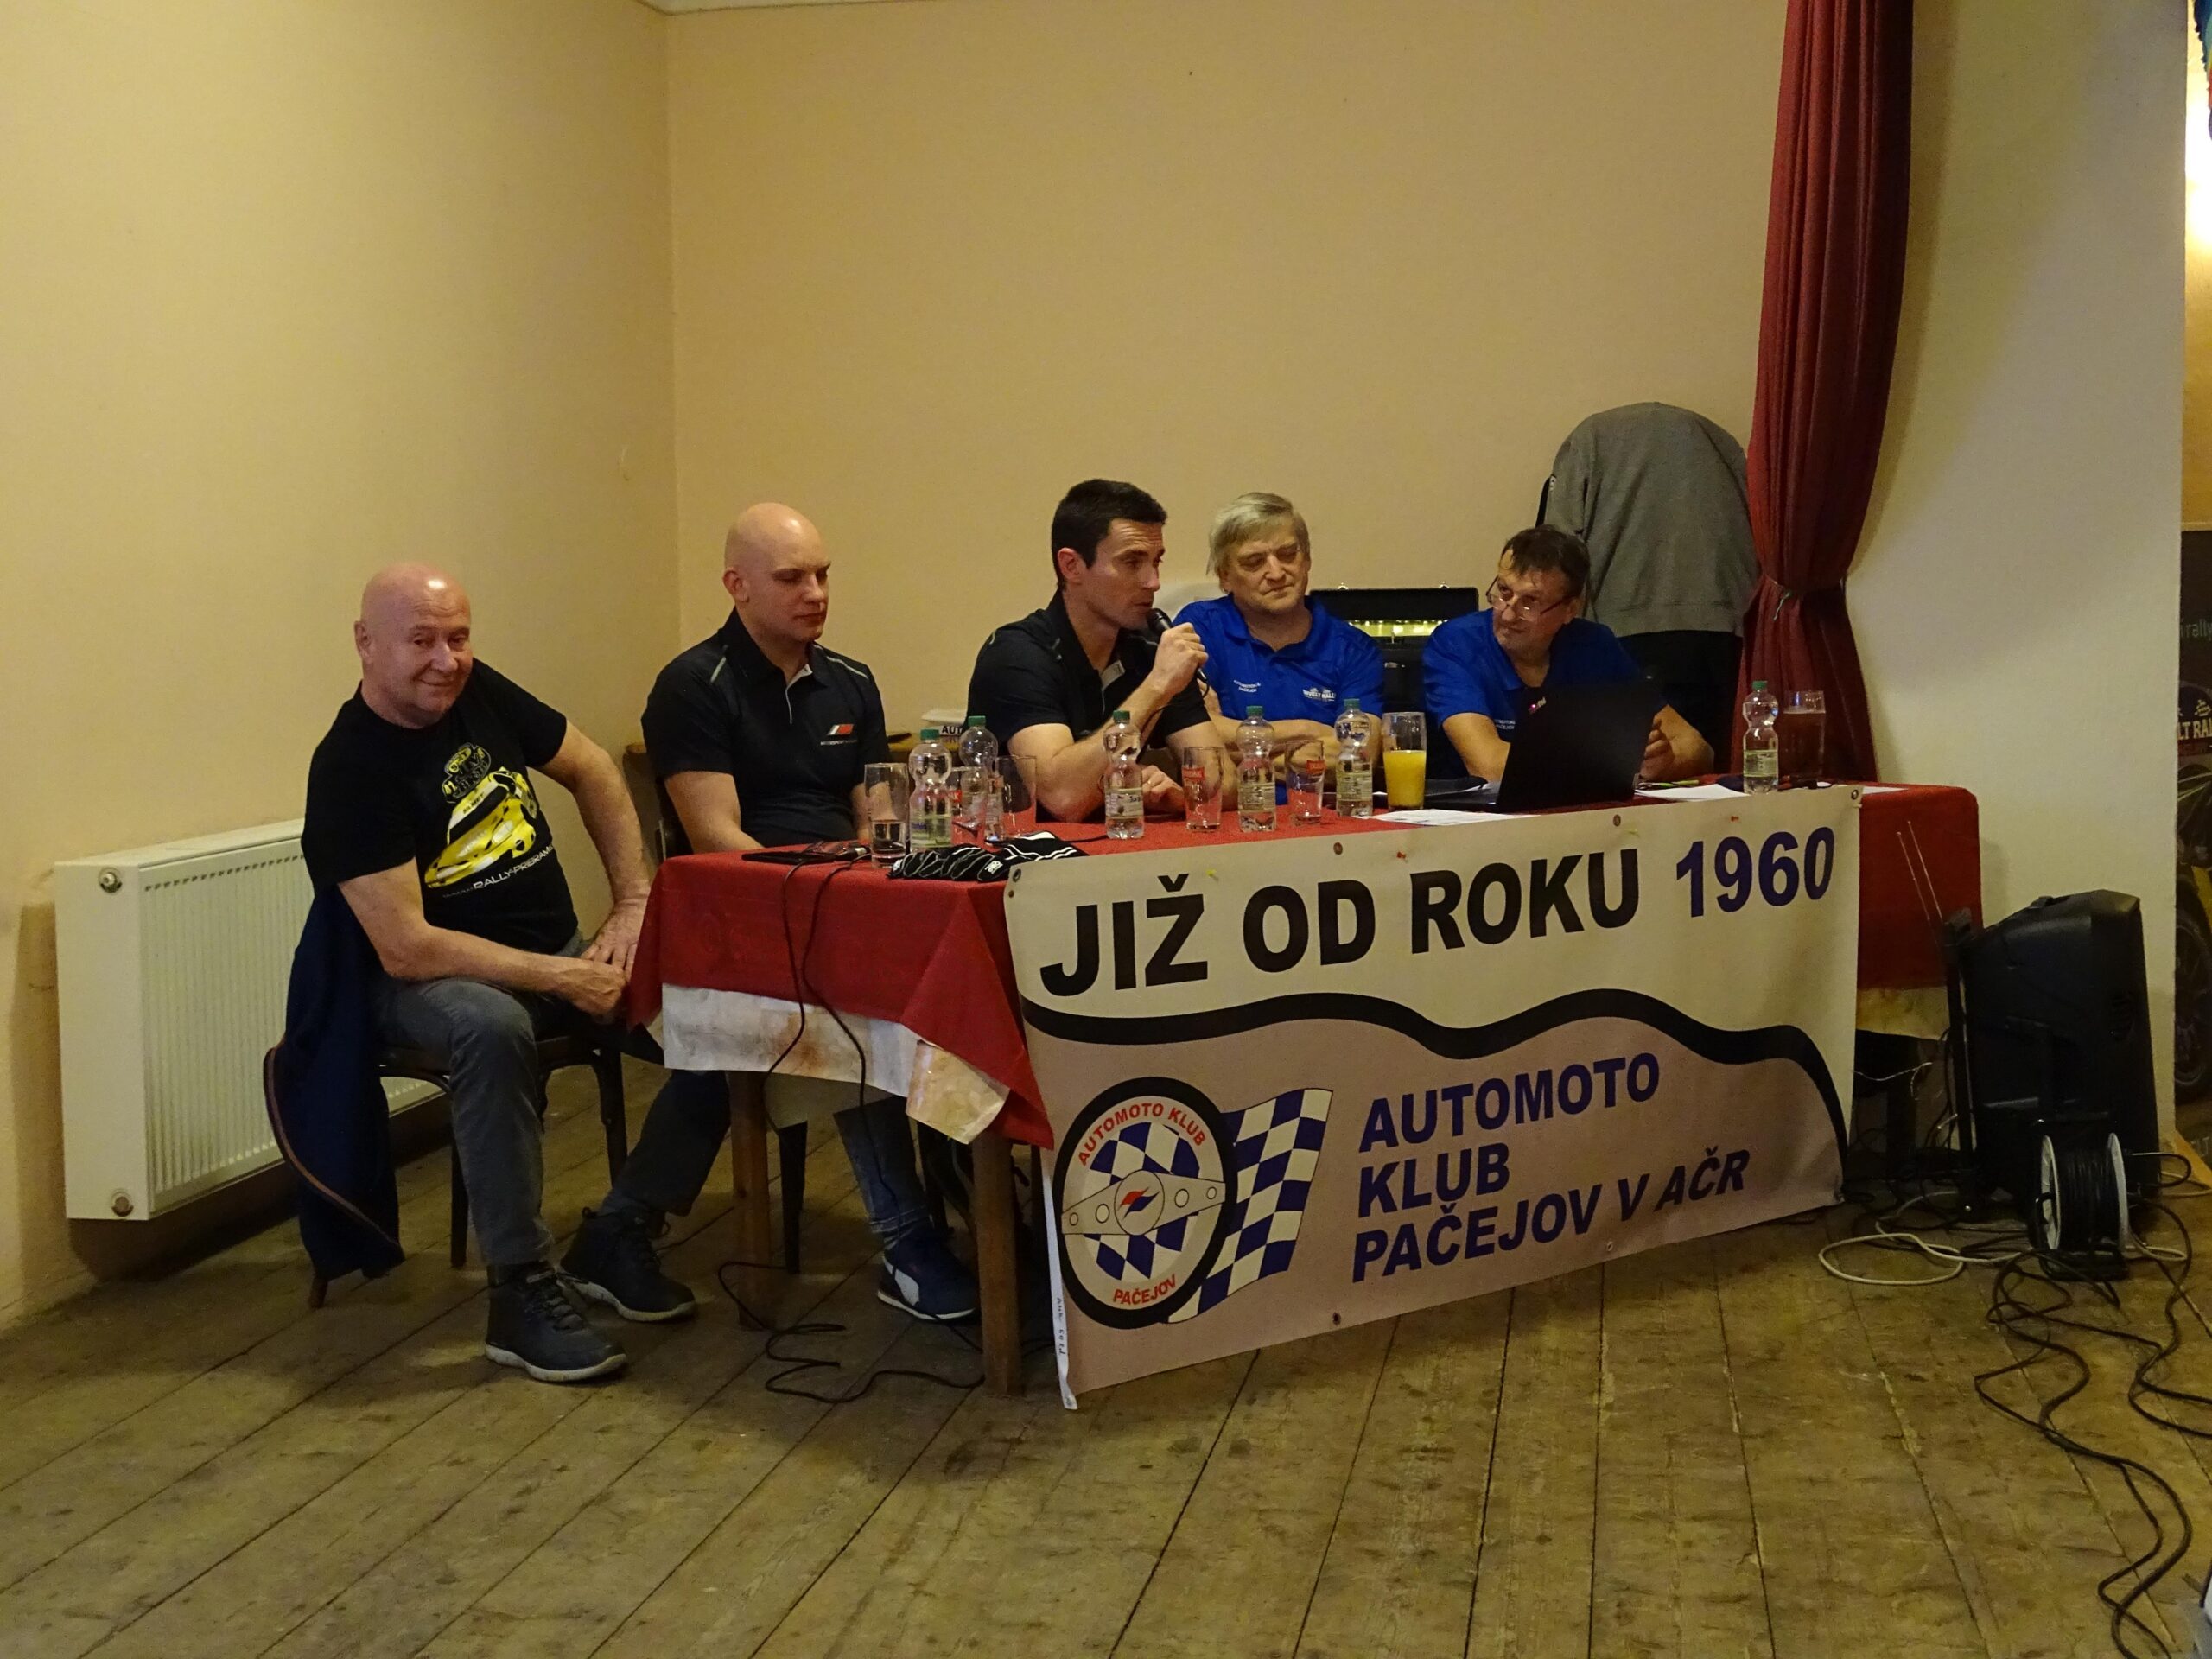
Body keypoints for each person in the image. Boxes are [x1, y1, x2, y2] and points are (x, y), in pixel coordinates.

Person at [575, 503, 979, 1332]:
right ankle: (909, 1242)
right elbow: (717, 841)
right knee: (851, 1014)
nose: (816, 593)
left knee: (943, 988)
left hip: (845, 904)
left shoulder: (852, 680)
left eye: (823, 574)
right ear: (737, 585)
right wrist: (832, 902)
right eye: (792, 578)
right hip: (741, 914)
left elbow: (876, 817)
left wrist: (889, 880)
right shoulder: (693, 685)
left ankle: (619, 1226)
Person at [303, 565, 652, 1385]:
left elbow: (594, 768)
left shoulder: (476, 689)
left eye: (458, 638)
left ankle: (623, 1227)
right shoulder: (350, 766)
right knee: (492, 1027)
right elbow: (407, 949)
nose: (446, 660)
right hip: (421, 984)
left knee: (717, 1006)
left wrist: (633, 904)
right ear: (365, 643)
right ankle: (520, 1289)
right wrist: (562, 978)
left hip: (553, 954)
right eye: (422, 641)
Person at [967, 479, 1217, 819]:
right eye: (1132, 563)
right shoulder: (1016, 654)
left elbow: (1224, 782)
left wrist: (1179, 796)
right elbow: (1063, 798)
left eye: (1156, 562)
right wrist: (1158, 686)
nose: (1153, 582)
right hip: (1027, 847)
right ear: (1071, 566)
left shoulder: (1149, 648)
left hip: (1124, 843)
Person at [1539, 402, 1758, 753]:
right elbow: (1762, 527)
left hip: (1624, 633)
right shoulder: (1718, 440)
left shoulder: (1590, 440)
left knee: (1638, 764)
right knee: (1711, 762)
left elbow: (1556, 552)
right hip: (1721, 631)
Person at [1424, 525, 1713, 784]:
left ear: (1570, 610)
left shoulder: (1594, 645)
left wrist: (1665, 764)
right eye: (1504, 591)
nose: (1508, 614)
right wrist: (1613, 759)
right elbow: (1489, 767)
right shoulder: (1458, 643)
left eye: (1530, 602)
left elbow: (1697, 747)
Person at [1174, 493, 1384, 760]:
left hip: (1320, 791)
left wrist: (1238, 748)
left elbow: (1360, 754)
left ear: (1307, 560)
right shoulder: (1200, 627)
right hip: (1230, 791)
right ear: (1225, 577)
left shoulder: (1354, 649)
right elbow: (1190, 741)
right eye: (1254, 562)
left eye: (1287, 555)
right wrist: (1308, 730)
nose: (1276, 573)